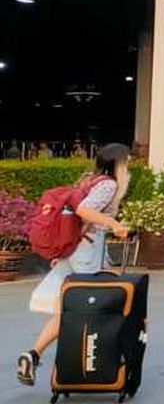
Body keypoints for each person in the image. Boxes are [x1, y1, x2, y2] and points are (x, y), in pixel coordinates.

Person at [17, 143, 132, 387]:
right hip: (86, 250)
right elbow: (84, 210)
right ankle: (89, 360)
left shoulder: (90, 180)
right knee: (94, 303)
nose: (128, 165)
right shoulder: (109, 184)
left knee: (66, 308)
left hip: (72, 249)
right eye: (127, 161)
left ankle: (33, 354)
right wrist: (114, 225)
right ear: (118, 163)